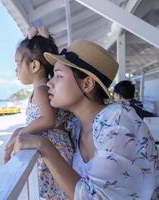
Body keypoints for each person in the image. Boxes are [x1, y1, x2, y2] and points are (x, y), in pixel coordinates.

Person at [13, 40, 159, 199]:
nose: (49, 83)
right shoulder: (76, 127)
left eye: (59, 76)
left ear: (87, 84)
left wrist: (44, 146)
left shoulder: (118, 120)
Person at [4, 27, 74, 199]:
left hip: (52, 150)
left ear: (34, 65)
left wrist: (22, 133)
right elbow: (41, 119)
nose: (15, 70)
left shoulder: (41, 90)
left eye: (17, 63)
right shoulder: (42, 89)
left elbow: (48, 119)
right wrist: (19, 131)